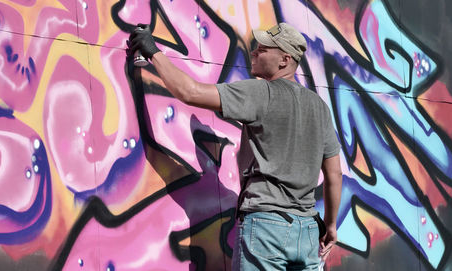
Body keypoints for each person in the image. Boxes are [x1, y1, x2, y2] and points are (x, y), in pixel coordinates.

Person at [127, 22, 342, 270]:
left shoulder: (262, 92)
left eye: (262, 49)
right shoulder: (319, 107)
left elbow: (190, 92)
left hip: (266, 229)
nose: (253, 52)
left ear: (284, 60)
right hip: (307, 231)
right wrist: (331, 225)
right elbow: (334, 174)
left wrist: (152, 51)